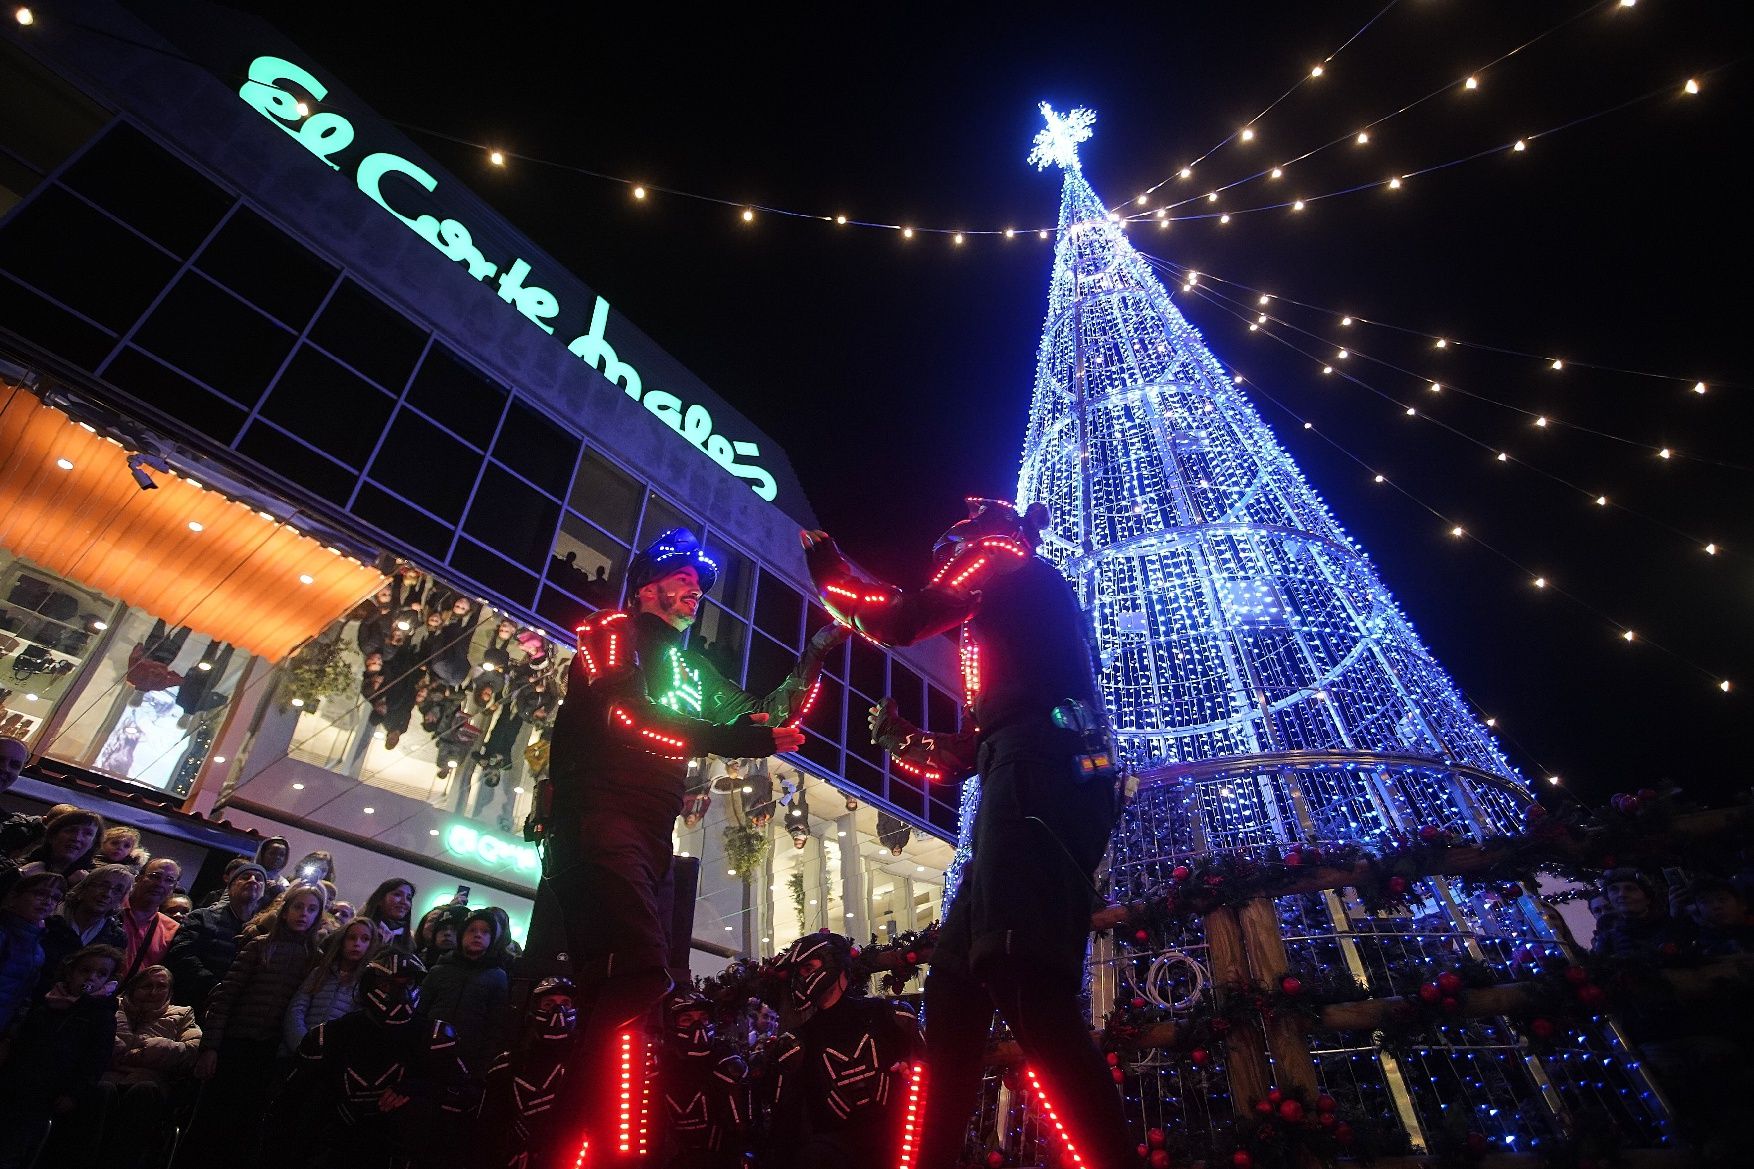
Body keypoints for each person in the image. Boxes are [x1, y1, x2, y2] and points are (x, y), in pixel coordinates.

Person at [801, 498, 1134, 1167]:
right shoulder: (1021, 627)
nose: (947, 571)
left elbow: (901, 617)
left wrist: (827, 567)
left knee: (1022, 976)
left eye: (948, 556)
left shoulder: (1004, 559)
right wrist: (908, 740)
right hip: (1036, 778)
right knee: (955, 988)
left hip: (1039, 780)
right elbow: (972, 749)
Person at [531, 527, 841, 1158]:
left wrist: (815, 653)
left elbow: (767, 716)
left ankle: (574, 1145)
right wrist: (741, 739)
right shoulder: (609, 637)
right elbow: (630, 719)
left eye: (699, 585)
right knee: (639, 978)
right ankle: (595, 1145)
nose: (695, 591)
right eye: (683, 580)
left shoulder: (694, 669)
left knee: (619, 989)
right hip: (597, 819)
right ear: (647, 588)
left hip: (649, 831)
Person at [276, 951, 471, 1168]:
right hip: (338, 1144)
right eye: (388, 985)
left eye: (408, 984)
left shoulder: (435, 1036)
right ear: (370, 986)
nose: (401, 993)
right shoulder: (332, 1035)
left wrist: (419, 1090)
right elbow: (292, 1104)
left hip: (402, 1148)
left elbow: (464, 1095)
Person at [184, 884, 324, 1162]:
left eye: (311, 909)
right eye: (298, 907)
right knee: (210, 1120)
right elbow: (226, 997)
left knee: (244, 1125)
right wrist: (211, 1046)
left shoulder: (314, 959)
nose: (303, 914)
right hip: (233, 1044)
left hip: (268, 1051)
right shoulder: (261, 946)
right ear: (284, 912)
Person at [764, 932, 919, 1169]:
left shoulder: (891, 1016)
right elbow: (786, 1127)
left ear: (832, 963)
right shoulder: (796, 1044)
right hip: (832, 1155)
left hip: (899, 1146)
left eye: (808, 968)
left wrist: (910, 1074)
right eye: (799, 972)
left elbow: (928, 1082)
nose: (801, 978)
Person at [0, 943, 124, 1169]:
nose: (91, 978)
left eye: (101, 974)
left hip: (51, 1089)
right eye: (85, 970)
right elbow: (25, 1040)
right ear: (70, 971)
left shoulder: (101, 1015)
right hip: (18, 1081)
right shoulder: (48, 1003)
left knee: (18, 1143)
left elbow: (95, 1059)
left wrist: (74, 1093)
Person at [101, 964, 200, 1169]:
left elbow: (192, 1050)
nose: (153, 991)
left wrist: (151, 1048)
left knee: (143, 1092)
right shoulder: (112, 1005)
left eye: (160, 986)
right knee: (102, 1091)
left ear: (170, 991)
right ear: (134, 988)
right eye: (147, 986)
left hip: (150, 1084)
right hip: (107, 1076)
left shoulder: (182, 1015)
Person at [473, 975, 577, 1169]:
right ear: (534, 1011)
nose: (558, 1011)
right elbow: (486, 1132)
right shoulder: (506, 1066)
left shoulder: (584, 1066)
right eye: (548, 1004)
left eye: (566, 1003)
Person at [657, 988, 750, 1169]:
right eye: (687, 1020)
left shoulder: (726, 1064)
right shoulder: (657, 1067)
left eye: (703, 1019)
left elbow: (743, 1132)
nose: (698, 1027)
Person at [164, 861, 267, 1019]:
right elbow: (181, 954)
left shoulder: (263, 931)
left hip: (233, 1014)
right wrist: (215, 986)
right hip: (190, 1006)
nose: (253, 880)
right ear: (230, 887)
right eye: (245, 876)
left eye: (259, 878)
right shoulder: (202, 917)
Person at [418, 907, 509, 1073]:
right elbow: (420, 1011)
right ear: (461, 935)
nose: (478, 935)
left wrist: (482, 1065)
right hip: (428, 1049)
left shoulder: (498, 976)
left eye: (485, 931)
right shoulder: (439, 970)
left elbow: (496, 1025)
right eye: (472, 930)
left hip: (468, 1058)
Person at [285, 916, 378, 1053]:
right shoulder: (321, 972)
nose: (357, 943)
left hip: (334, 1056)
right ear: (342, 941)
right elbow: (297, 1008)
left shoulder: (367, 981)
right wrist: (301, 1043)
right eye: (351, 938)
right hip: (299, 1048)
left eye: (365, 939)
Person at [41, 863, 131, 990]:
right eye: (103, 885)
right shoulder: (47, 919)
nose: (107, 894)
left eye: (117, 890)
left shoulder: (116, 938)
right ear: (84, 887)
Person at [0, 871, 62, 1035]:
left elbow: (23, 997)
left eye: (55, 898)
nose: (48, 901)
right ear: (14, 896)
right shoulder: (4, 934)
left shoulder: (37, 947)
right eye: (40, 893)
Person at [1593, 868, 1691, 958]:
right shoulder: (1608, 939)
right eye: (1614, 889)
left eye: (1630, 888)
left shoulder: (1670, 924)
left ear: (1648, 898)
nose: (1621, 894)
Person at [117, 856, 181, 983]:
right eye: (155, 876)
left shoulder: (172, 929)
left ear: (173, 889)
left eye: (169, 880)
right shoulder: (111, 909)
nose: (160, 884)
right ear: (138, 878)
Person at [20, 806, 103, 883]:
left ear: (93, 843)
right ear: (52, 835)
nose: (77, 838)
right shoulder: (20, 869)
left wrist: (80, 888)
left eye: (87, 833)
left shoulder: (93, 883)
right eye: (71, 830)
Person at [1680, 876, 1753, 956]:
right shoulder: (1701, 938)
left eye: (1722, 899)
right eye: (1706, 902)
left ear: (1742, 904)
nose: (1716, 906)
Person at [362, 876, 418, 952]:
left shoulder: (409, 943)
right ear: (380, 899)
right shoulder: (359, 929)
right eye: (397, 895)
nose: (404, 902)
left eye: (408, 898)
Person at [255, 835, 292, 899]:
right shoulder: (249, 874)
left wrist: (279, 890)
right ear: (263, 854)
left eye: (281, 855)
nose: (277, 857)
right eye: (272, 853)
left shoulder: (283, 883)